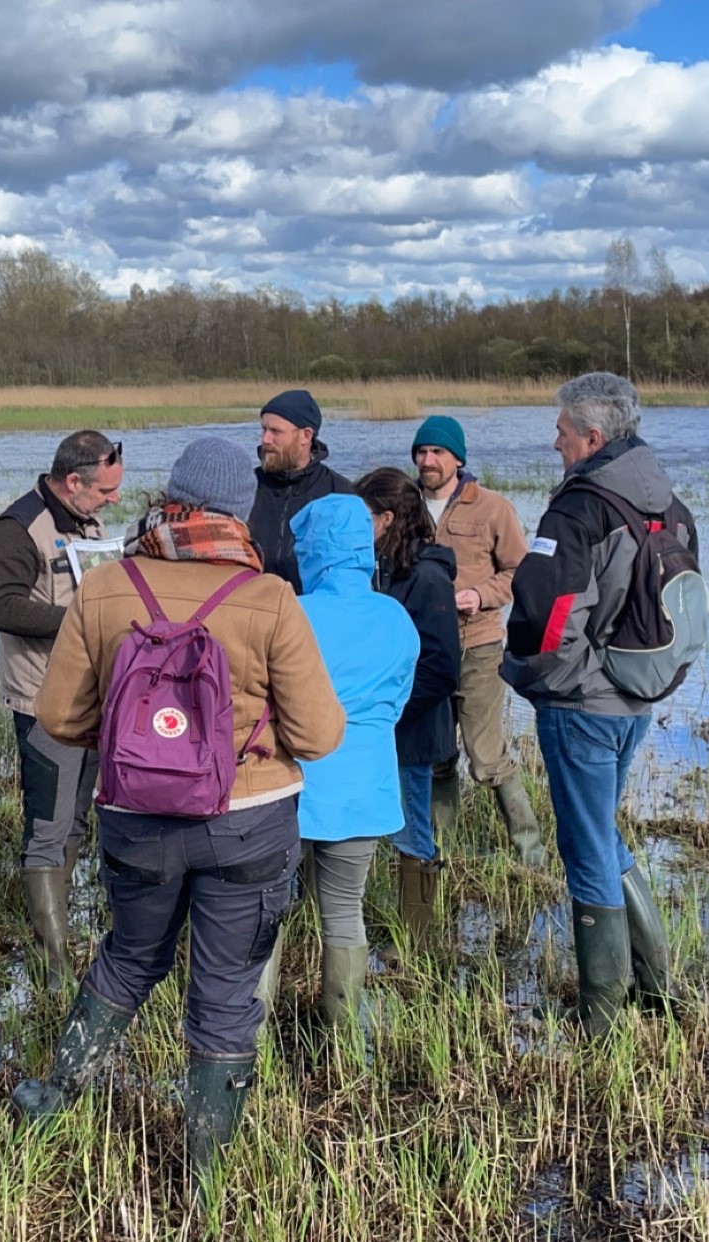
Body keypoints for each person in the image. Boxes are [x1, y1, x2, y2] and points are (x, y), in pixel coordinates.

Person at [13, 436, 345, 1181]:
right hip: (249, 824)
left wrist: (142, 735)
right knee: (225, 993)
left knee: (129, 960)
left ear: (169, 499)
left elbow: (57, 718)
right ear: (240, 513)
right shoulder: (270, 599)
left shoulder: (105, 588)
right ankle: (206, 1179)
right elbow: (320, 736)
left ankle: (54, 1098)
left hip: (137, 821)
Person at [501, 374, 696, 1036]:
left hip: (581, 703)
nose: (552, 441)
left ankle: (600, 1018)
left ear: (592, 437)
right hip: (637, 698)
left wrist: (530, 677)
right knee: (605, 835)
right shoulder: (669, 503)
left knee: (586, 847)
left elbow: (542, 615)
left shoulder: (579, 509)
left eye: (560, 431)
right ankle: (656, 987)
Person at [257, 493, 415, 1029]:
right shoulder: (395, 617)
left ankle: (246, 1034)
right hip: (364, 787)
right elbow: (398, 701)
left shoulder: (290, 611)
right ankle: (343, 1037)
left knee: (266, 913)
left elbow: (266, 699)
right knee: (345, 915)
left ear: (313, 552)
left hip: (289, 786)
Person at [0, 430, 125, 987]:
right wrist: (82, 619)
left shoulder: (86, 521)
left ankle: (62, 942)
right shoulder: (18, 528)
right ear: (74, 482)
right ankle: (54, 969)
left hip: (93, 699)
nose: (114, 499)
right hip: (43, 701)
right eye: (107, 490)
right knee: (47, 828)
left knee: (74, 825)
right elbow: (2, 608)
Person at [411, 415, 545, 866]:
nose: (428, 461)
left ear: (458, 459)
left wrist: (479, 595)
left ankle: (530, 854)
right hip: (421, 652)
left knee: (486, 757)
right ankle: (439, 854)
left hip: (479, 646)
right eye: (422, 452)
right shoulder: (401, 504)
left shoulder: (492, 507)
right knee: (436, 756)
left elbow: (519, 574)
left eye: (437, 453)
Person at [355, 467, 463, 949]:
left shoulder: (427, 577)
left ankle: (419, 943)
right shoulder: (383, 570)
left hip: (413, 732)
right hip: (384, 729)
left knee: (413, 832)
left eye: (365, 517)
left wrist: (389, 710)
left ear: (388, 519)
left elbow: (442, 667)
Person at [251, 389, 355, 593]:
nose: (266, 439)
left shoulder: (339, 493)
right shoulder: (246, 486)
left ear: (306, 436)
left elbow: (350, 568)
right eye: (263, 430)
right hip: (252, 610)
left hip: (312, 613)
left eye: (275, 432)